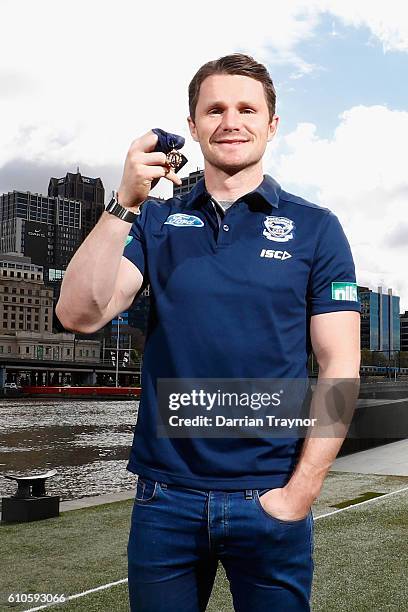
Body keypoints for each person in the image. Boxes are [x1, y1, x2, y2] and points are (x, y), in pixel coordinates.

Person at [56, 53, 361, 611]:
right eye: (214, 109)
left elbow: (340, 366)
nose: (231, 121)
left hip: (270, 494)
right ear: (193, 126)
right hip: (165, 500)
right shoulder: (155, 221)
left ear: (272, 124)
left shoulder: (317, 228)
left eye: (248, 109)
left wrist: (302, 491)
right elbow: (80, 314)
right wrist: (125, 202)